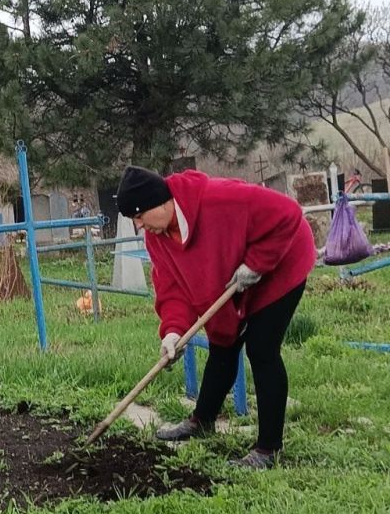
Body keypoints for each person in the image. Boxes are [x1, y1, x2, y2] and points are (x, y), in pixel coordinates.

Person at [117, 166, 315, 469]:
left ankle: (267, 449)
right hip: (231, 277)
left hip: (279, 263)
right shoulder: (157, 239)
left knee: (261, 349)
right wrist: (173, 332)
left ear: (160, 201)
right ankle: (202, 421)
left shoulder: (220, 199)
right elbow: (172, 290)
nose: (139, 225)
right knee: (223, 341)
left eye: (140, 216)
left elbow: (289, 213)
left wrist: (258, 263)